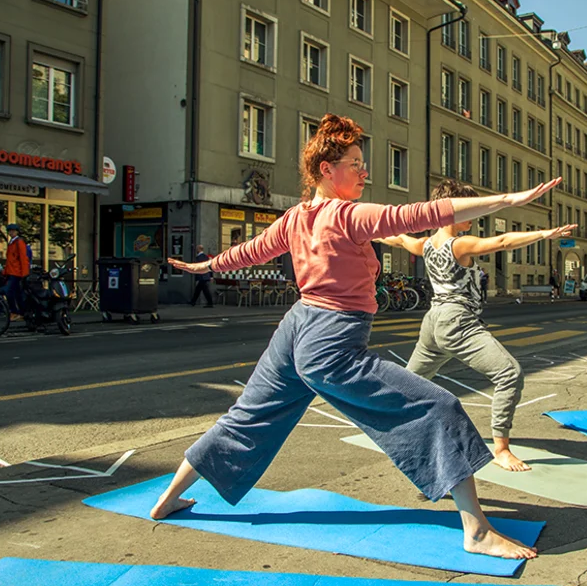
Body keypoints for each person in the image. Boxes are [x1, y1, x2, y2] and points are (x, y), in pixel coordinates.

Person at [151, 114, 561, 560]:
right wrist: (508, 199)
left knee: (249, 416)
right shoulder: (347, 216)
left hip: (296, 327)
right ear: (327, 170)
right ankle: (477, 531)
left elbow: (250, 251)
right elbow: (421, 214)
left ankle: (168, 499)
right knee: (437, 406)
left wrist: (206, 266)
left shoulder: (296, 217)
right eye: (355, 163)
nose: (365, 172)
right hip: (331, 338)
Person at [378, 179, 576, 472]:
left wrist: (364, 229)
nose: (474, 215)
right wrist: (545, 233)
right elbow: (502, 241)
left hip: (433, 323)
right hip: (457, 321)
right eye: (468, 209)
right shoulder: (460, 244)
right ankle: (502, 450)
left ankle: (384, 423)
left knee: (411, 384)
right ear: (451, 211)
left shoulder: (425, 244)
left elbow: (398, 238)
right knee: (509, 374)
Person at [2, 223, 29, 321]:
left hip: (16, 272)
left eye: (13, 231)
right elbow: (9, 260)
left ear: (17, 232)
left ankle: (14, 312)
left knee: (8, 291)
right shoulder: (11, 242)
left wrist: (24, 273)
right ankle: (22, 313)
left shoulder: (19, 242)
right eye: (10, 231)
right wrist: (5, 272)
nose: (11, 232)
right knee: (17, 293)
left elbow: (23, 258)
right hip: (11, 272)